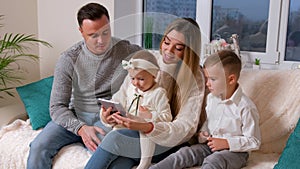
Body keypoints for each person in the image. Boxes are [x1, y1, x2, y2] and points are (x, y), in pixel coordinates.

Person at [26, 3, 141, 169]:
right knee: (38, 147)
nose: (101, 41)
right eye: (93, 35)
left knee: (118, 158)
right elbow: (57, 107)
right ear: (81, 32)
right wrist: (80, 128)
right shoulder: (69, 59)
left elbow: (154, 61)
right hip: (74, 116)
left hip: (106, 117)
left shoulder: (124, 49)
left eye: (105, 32)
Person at [85, 17, 206, 169]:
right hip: (135, 131)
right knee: (119, 162)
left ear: (189, 51)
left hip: (167, 141)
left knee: (115, 138)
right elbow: (121, 97)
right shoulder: (149, 59)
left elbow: (185, 128)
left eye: (178, 48)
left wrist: (148, 126)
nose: (168, 51)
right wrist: (108, 116)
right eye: (167, 42)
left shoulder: (195, 78)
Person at [150, 50, 261, 169]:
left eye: (212, 79)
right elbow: (209, 123)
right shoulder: (212, 98)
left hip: (236, 152)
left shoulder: (245, 107)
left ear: (231, 80)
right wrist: (203, 134)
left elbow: (254, 141)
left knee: (214, 160)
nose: (207, 84)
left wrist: (227, 143)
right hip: (210, 146)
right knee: (184, 153)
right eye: (207, 78)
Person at [101, 50, 172, 169]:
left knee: (145, 132)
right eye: (132, 78)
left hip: (145, 128)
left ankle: (144, 163)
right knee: (115, 131)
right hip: (129, 124)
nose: (136, 83)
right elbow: (121, 102)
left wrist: (149, 116)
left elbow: (167, 117)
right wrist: (112, 115)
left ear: (153, 75)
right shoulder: (131, 89)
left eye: (141, 79)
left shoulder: (158, 93)